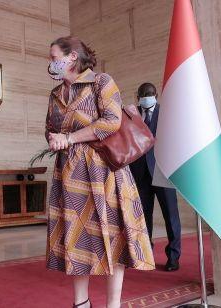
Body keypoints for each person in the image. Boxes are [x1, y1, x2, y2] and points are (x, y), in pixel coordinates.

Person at [45, 36, 155, 308]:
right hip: (70, 174)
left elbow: (111, 122)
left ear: (71, 57)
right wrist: (52, 137)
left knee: (114, 236)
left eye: (53, 56)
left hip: (103, 171)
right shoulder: (56, 93)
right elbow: (49, 126)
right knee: (77, 236)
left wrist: (69, 138)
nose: (50, 62)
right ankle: (81, 303)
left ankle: (113, 304)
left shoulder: (101, 82)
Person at [129, 82, 181, 272]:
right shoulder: (131, 115)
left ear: (156, 95)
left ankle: (173, 257)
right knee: (143, 217)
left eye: (149, 94)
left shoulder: (166, 113)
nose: (146, 96)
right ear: (138, 96)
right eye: (143, 94)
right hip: (140, 173)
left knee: (171, 216)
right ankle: (146, 254)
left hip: (163, 171)